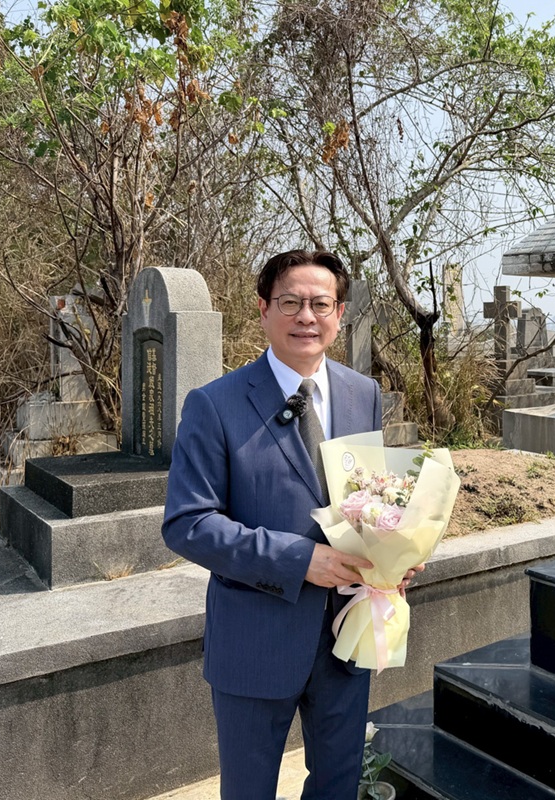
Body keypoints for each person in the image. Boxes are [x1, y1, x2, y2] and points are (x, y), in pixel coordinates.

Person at [162, 250, 417, 799]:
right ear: (263, 309)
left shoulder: (363, 394)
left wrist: (394, 554)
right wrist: (301, 561)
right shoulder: (214, 404)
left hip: (347, 635)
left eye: (320, 304)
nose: (307, 316)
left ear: (339, 313)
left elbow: (369, 498)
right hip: (256, 640)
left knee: (338, 786)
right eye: (290, 303)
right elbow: (188, 523)